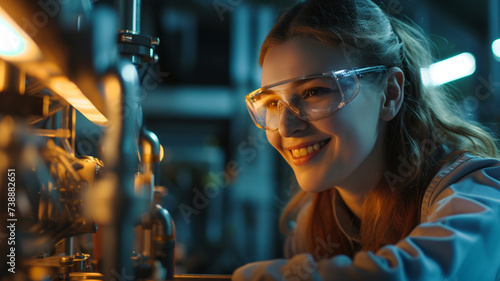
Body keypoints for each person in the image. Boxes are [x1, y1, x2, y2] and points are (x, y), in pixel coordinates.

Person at [232, 0, 500, 280]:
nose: (286, 128)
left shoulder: (479, 193)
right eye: (272, 103)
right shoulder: (310, 224)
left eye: (314, 92)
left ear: (391, 93)